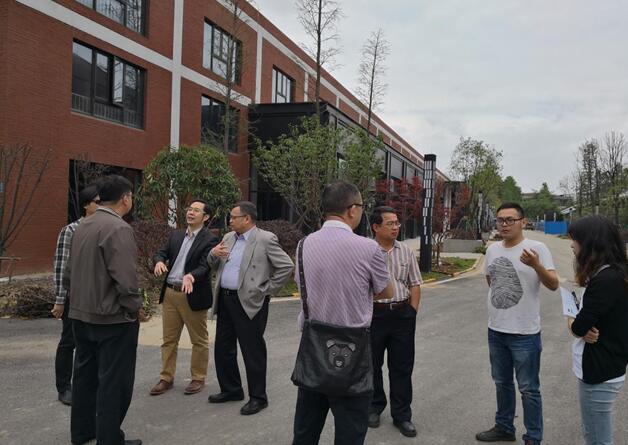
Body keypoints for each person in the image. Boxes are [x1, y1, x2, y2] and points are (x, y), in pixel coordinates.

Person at [292, 180, 393, 445]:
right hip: (353, 351)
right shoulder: (368, 248)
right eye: (361, 207)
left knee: (305, 432)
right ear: (352, 209)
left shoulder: (303, 245)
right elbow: (387, 291)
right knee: (350, 434)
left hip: (313, 349)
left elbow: (302, 287)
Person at [64, 175, 142, 445]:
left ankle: (83, 432)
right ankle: (109, 438)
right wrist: (135, 308)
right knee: (113, 382)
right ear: (125, 198)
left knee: (84, 378)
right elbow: (126, 279)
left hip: (81, 314)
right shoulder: (118, 228)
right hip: (112, 319)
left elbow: (69, 272)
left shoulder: (82, 225)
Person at [476, 202, 558, 445]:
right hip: (496, 329)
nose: (504, 224)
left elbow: (553, 284)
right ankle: (504, 427)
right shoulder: (492, 249)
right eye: (500, 220)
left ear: (523, 222)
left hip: (525, 333)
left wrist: (536, 265)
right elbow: (491, 280)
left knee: (529, 388)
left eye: (510, 220)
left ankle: (533, 437)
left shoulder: (537, 248)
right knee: (502, 383)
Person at [207, 201, 293, 415]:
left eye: (233, 217)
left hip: (249, 302)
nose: (229, 220)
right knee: (223, 349)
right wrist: (213, 253)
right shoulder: (228, 238)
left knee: (252, 350)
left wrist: (265, 289)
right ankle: (231, 389)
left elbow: (286, 266)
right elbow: (213, 264)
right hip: (225, 299)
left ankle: (258, 397)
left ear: (247, 219)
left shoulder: (265, 239)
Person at [566, 215, 628, 445]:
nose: (571, 245)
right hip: (609, 365)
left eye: (575, 239)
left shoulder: (605, 279)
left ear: (591, 242)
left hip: (600, 371)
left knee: (597, 438)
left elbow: (579, 326)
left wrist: (571, 319)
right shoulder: (615, 272)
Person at [149, 199, 219, 396]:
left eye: (196, 210)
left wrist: (191, 276)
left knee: (199, 340)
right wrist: (159, 261)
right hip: (171, 293)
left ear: (205, 217)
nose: (190, 212)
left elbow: (206, 266)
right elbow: (160, 253)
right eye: (190, 209)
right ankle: (166, 377)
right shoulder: (177, 235)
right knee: (169, 340)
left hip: (192, 293)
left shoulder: (210, 239)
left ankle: (198, 377)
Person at [368, 206, 422, 438]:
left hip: (402, 315)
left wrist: (412, 312)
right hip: (374, 315)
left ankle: (402, 415)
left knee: (402, 367)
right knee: (372, 365)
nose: (396, 227)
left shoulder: (405, 251)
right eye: (390, 223)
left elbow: (415, 283)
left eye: (397, 223)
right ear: (376, 227)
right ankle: (374, 407)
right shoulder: (366, 251)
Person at [51, 183, 100, 406]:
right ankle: (64, 387)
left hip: (95, 297)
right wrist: (60, 300)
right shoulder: (71, 230)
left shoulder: (103, 229)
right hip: (74, 297)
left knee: (91, 343)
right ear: (86, 205)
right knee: (69, 342)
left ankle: (86, 385)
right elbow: (62, 267)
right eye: (98, 202)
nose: (101, 206)